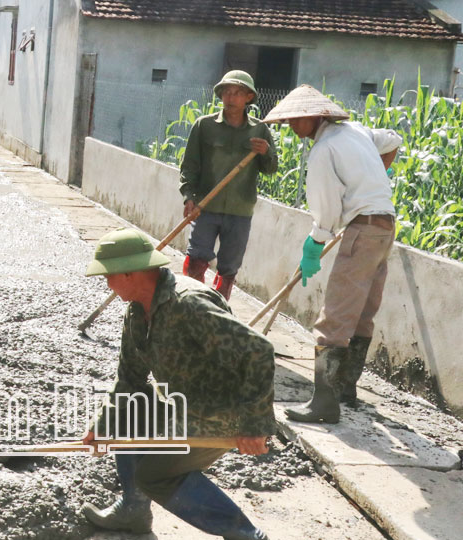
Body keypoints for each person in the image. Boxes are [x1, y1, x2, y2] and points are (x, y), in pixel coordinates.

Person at [80, 228, 275, 539]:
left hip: (224, 410)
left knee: (154, 475)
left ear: (131, 274)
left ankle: (246, 534)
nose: (108, 284)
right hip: (184, 401)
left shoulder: (189, 304)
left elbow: (258, 351)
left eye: (109, 276)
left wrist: (255, 425)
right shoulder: (137, 313)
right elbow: (129, 379)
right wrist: (102, 425)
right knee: (132, 407)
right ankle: (133, 510)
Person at [262, 85, 401, 424]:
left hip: (362, 229)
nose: (294, 127)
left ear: (316, 116)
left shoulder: (323, 150)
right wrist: (371, 182)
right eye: (290, 121)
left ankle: (324, 403)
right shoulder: (356, 131)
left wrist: (315, 244)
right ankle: (345, 390)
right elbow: (393, 139)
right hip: (384, 226)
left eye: (298, 120)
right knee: (363, 310)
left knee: (335, 315)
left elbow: (324, 212)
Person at [179, 70, 279, 300]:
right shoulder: (204, 126)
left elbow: (271, 169)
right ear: (221, 96)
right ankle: (189, 305)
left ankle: (218, 309)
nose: (231, 98)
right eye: (227, 93)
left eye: (237, 93)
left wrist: (266, 152)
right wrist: (189, 196)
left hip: (240, 211)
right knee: (196, 259)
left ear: (248, 98)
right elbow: (190, 166)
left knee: (229, 267)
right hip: (205, 206)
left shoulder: (260, 130)